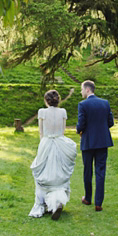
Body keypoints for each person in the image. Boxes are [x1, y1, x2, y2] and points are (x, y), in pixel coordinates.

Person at [28, 90, 77, 220]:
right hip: (60, 143)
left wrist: (43, 147)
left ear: (46, 100)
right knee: (59, 174)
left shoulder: (42, 112)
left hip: (46, 143)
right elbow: (63, 131)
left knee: (42, 173)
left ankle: (42, 204)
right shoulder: (63, 112)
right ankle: (56, 203)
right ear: (58, 100)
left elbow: (41, 133)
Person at [76, 80, 114, 212]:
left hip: (88, 142)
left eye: (81, 89)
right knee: (100, 172)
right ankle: (98, 203)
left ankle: (87, 198)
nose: (81, 92)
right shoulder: (105, 103)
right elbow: (110, 122)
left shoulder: (83, 104)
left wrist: (79, 131)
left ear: (87, 90)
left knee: (88, 171)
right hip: (103, 141)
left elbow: (81, 124)